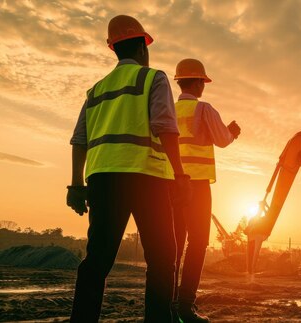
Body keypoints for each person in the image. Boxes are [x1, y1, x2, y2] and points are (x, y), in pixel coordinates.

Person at [66, 15, 190, 323]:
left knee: (96, 261)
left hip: (103, 181)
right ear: (143, 48)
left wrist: (76, 185)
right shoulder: (152, 78)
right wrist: (180, 174)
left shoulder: (96, 91)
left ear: (114, 49)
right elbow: (165, 127)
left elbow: (79, 140)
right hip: (147, 179)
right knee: (162, 259)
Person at [171, 58, 240, 323]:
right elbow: (222, 140)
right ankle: (185, 306)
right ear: (199, 83)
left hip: (169, 184)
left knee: (172, 247)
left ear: (179, 82)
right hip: (196, 186)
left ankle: (166, 302)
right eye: (203, 82)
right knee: (197, 243)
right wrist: (232, 132)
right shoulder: (204, 110)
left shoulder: (167, 109)